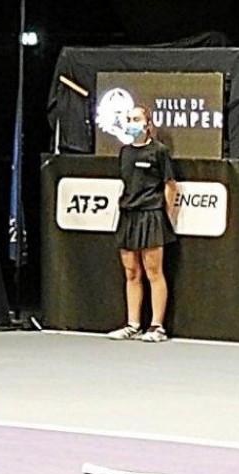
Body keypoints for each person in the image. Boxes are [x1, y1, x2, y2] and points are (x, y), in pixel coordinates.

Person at [108, 105, 177, 343]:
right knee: (131, 272)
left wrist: (163, 215)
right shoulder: (125, 152)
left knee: (153, 272)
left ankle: (157, 326)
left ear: (147, 124)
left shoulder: (159, 151)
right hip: (128, 215)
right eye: (128, 119)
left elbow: (170, 185)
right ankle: (133, 324)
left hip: (152, 215)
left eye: (136, 118)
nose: (131, 122)